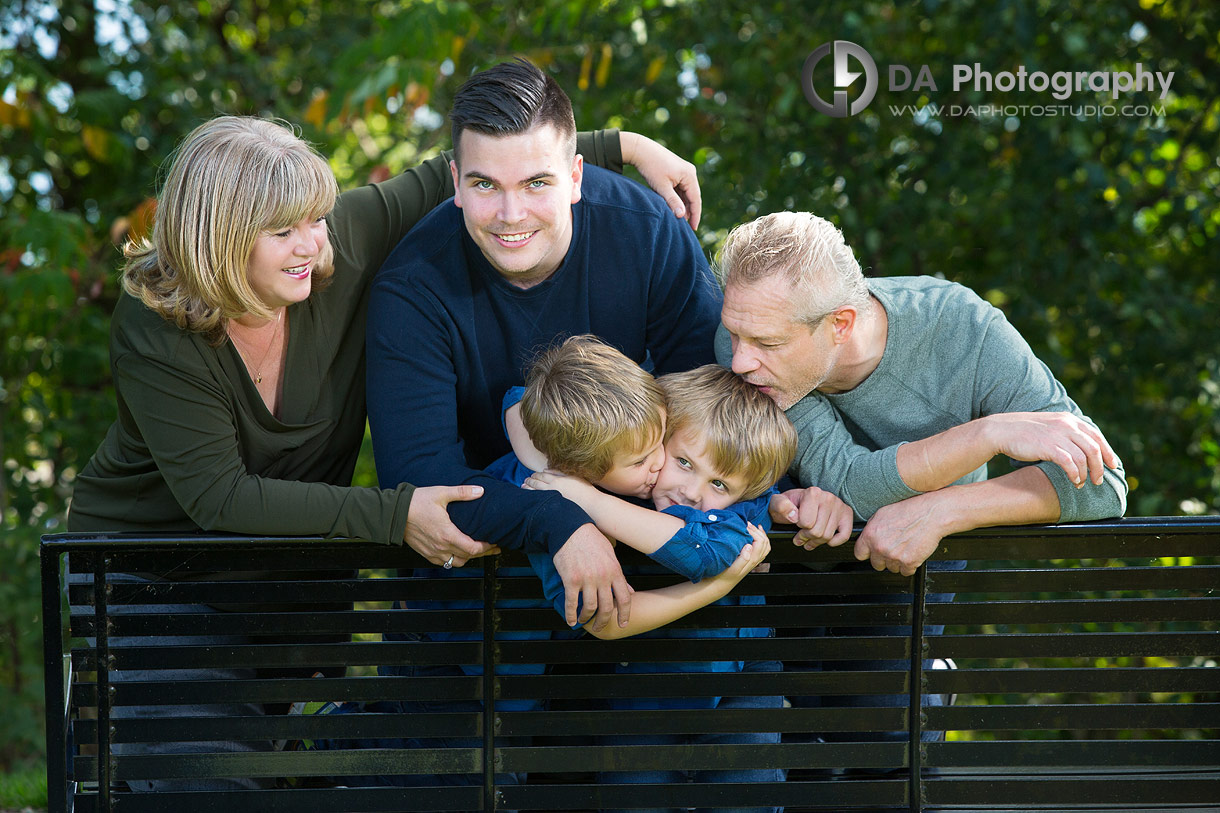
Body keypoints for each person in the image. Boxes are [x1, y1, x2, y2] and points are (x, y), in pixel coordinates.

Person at [65, 113, 709, 791]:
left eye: (315, 218)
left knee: (286, 769)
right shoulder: (158, 325)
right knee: (207, 781)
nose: (311, 244)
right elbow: (219, 496)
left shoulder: (340, 243)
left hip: (280, 581)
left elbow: (467, 170)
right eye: (283, 231)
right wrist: (395, 514)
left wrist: (629, 148)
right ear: (220, 238)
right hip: (150, 581)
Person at [715, 210, 1128, 755]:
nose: (739, 359)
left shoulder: (963, 330)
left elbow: (1103, 486)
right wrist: (989, 434)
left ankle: (925, 685)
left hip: (910, 567)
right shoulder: (747, 348)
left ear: (839, 324)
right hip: (800, 550)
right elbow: (853, 486)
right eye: (735, 331)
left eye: (765, 342)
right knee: (800, 742)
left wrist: (949, 510)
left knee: (885, 733)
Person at [365, 58, 724, 634]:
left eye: (537, 183)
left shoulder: (648, 232)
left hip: (649, 557)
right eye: (485, 185)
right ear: (456, 182)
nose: (511, 216)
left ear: (576, 176)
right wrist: (557, 519)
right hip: (481, 585)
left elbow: (712, 405)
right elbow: (422, 481)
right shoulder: (413, 289)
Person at [520, 361, 817, 813]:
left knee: (748, 800)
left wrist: (589, 501)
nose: (693, 492)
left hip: (742, 684)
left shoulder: (736, 516)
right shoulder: (616, 483)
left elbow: (702, 551)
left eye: (718, 483)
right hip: (642, 687)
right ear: (655, 437)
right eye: (682, 462)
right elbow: (515, 401)